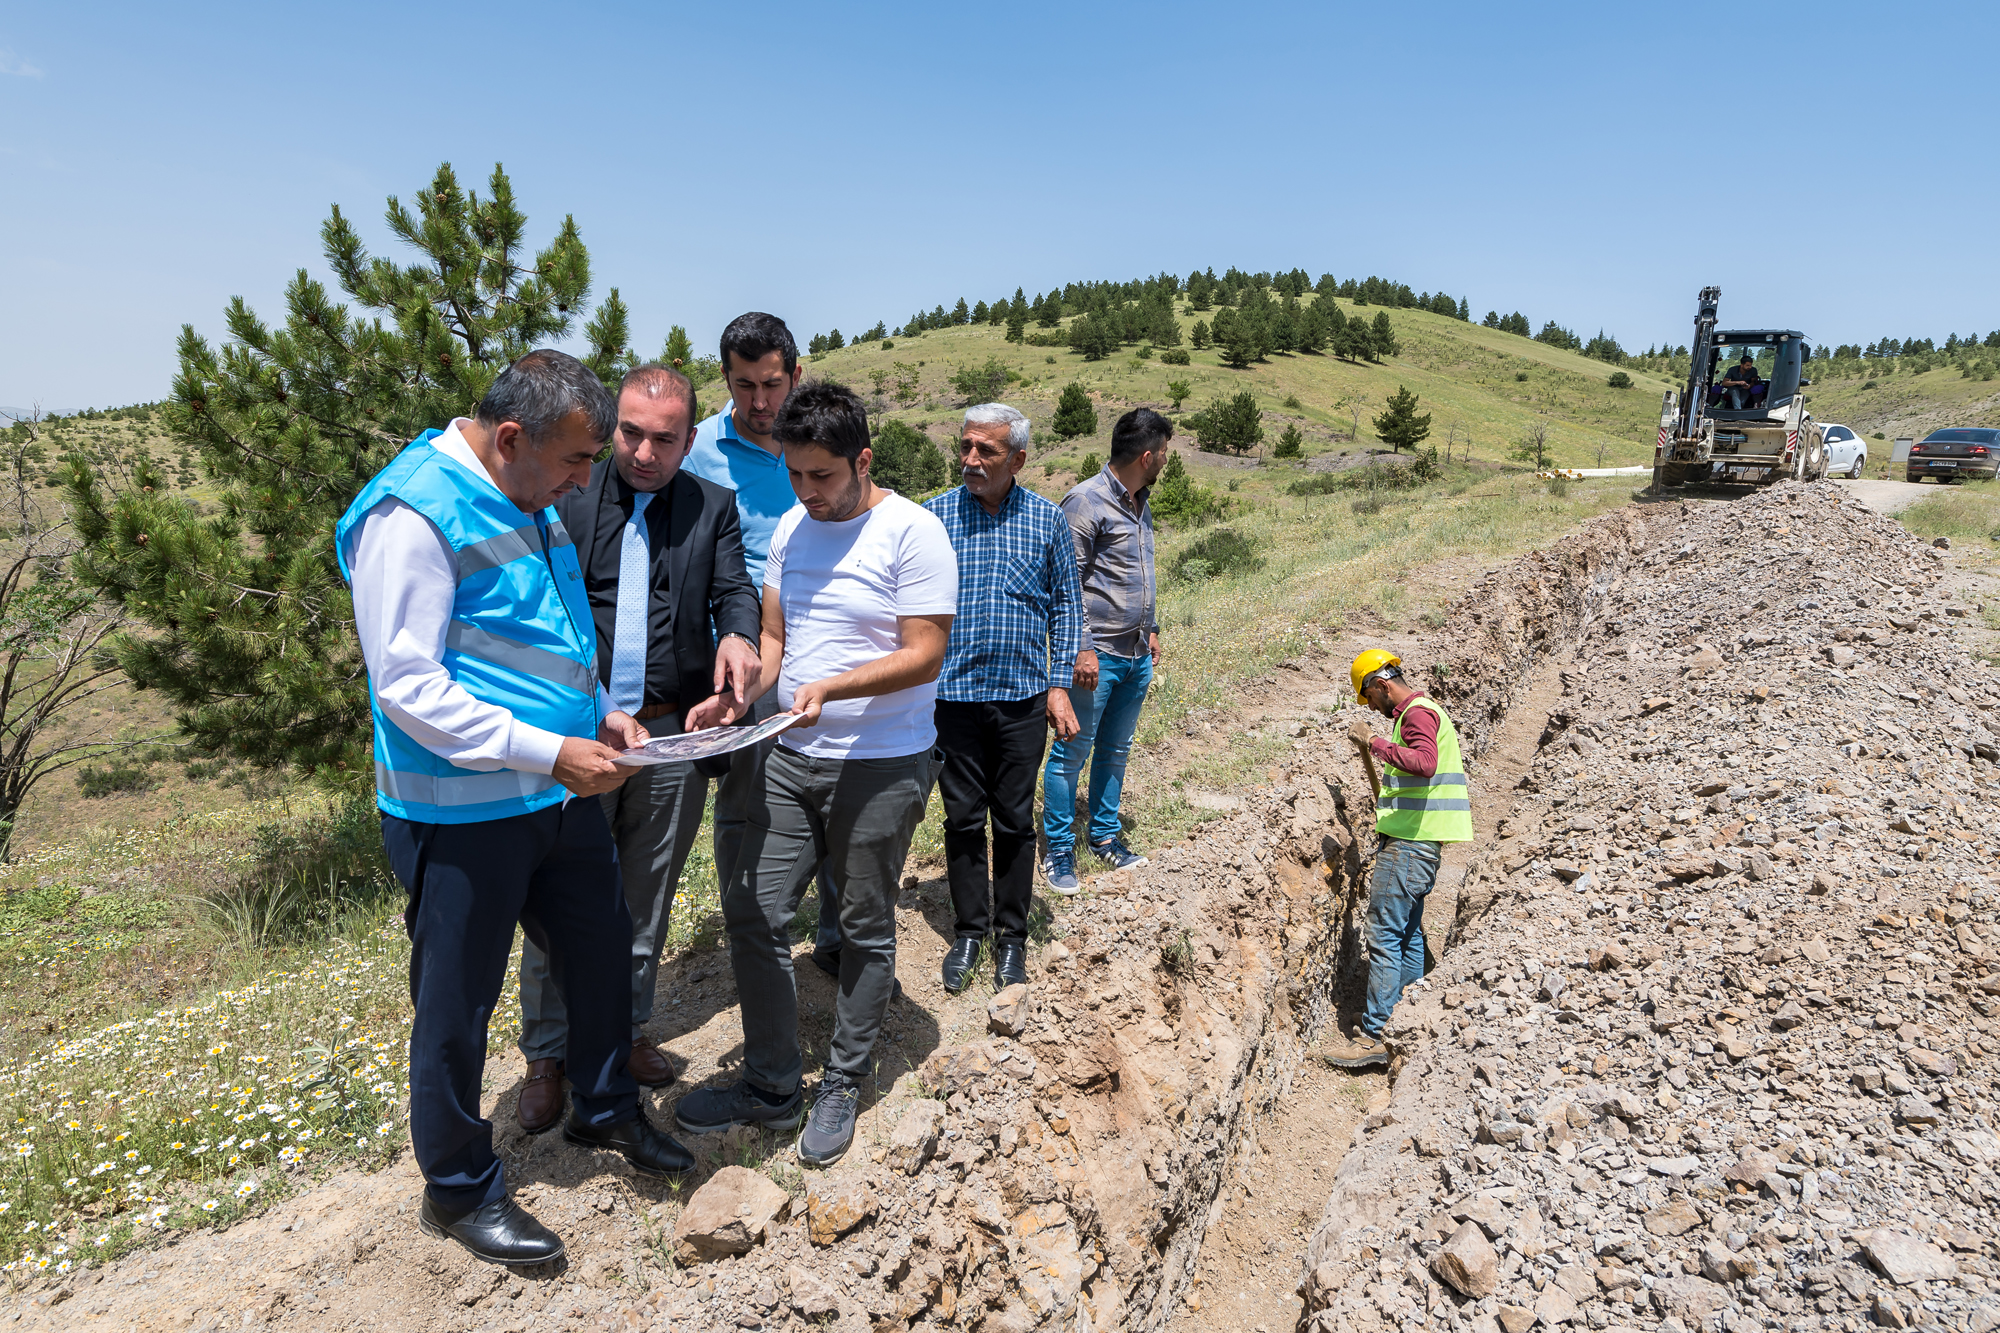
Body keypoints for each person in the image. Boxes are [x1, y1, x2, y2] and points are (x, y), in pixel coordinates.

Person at [334, 350, 694, 1268]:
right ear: (508, 439)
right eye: (578, 461)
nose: (590, 478)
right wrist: (551, 749)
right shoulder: (411, 514)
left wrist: (597, 713)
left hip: (557, 791)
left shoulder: (530, 494)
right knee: (457, 1004)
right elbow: (409, 687)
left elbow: (542, 634)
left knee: (600, 953)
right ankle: (457, 1185)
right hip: (462, 813)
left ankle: (606, 1108)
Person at [674, 381, 956, 1167]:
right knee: (755, 907)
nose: (806, 492)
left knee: (863, 921)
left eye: (823, 476)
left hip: (882, 761)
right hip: (791, 754)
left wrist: (834, 685)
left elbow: (925, 650)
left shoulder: (914, 532)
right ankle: (770, 1081)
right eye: (795, 474)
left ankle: (843, 1077)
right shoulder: (794, 528)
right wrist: (740, 694)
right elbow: (774, 635)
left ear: (862, 460)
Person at [512, 363, 763, 1134]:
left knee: (642, 896)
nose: (643, 453)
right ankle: (548, 1055)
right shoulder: (566, 491)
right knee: (562, 901)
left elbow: (735, 588)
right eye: (630, 433)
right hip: (580, 736)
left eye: (663, 439)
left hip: (670, 735)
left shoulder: (711, 508)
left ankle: (623, 1031)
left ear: (692, 440)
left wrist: (739, 636)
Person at [685, 312, 846, 974]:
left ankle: (839, 935)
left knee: (838, 792)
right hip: (749, 653)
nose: (758, 402)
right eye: (744, 384)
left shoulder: (821, 438)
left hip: (832, 649)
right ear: (724, 377)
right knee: (748, 800)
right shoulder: (695, 451)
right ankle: (749, 923)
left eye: (771, 384)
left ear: (796, 375)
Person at [924, 404, 1084, 994]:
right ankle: (970, 931)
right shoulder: (933, 517)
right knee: (962, 817)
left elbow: (1067, 605)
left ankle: (1011, 939)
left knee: (1014, 819)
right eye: (965, 446)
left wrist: (1059, 683)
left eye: (986, 451)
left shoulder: (1046, 521)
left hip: (1022, 699)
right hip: (952, 697)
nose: (970, 460)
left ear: (1017, 458)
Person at [1321, 650, 1474, 1071]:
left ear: (1381, 683)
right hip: (1417, 842)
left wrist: (1376, 743)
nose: (1370, 705)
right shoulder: (1421, 712)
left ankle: (1375, 1034)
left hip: (1409, 845)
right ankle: (1399, 1020)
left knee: (1385, 934)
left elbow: (1425, 764)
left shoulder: (1416, 714)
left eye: (1368, 696)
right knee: (1406, 933)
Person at [1039, 407, 1169, 894]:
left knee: (1115, 751)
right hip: (1095, 660)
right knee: (1071, 753)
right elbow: (1064, 584)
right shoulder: (1084, 502)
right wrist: (1082, 649)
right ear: (1147, 454)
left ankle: (1105, 837)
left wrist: (1151, 627)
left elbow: (1139, 572)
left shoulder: (1140, 502)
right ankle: (1057, 850)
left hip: (1135, 653)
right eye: (1164, 454)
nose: (1165, 463)